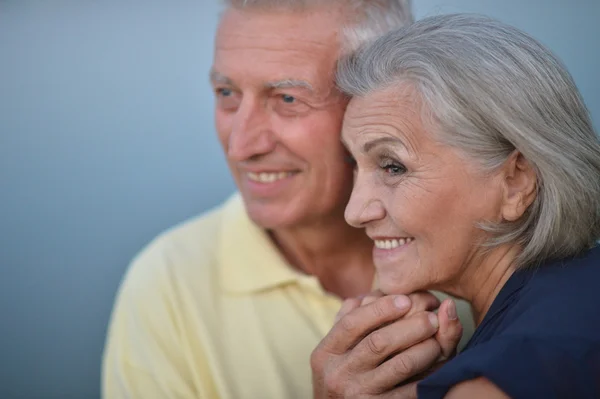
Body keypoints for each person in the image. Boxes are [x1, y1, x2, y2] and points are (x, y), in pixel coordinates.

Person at [101, 2, 475, 398]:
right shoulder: (166, 286)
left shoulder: (482, 246)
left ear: (380, 97)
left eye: (287, 99)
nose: (241, 145)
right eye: (226, 93)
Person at [312, 13, 600, 398]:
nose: (355, 211)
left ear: (516, 182)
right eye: (355, 164)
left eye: (392, 166)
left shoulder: (489, 386)